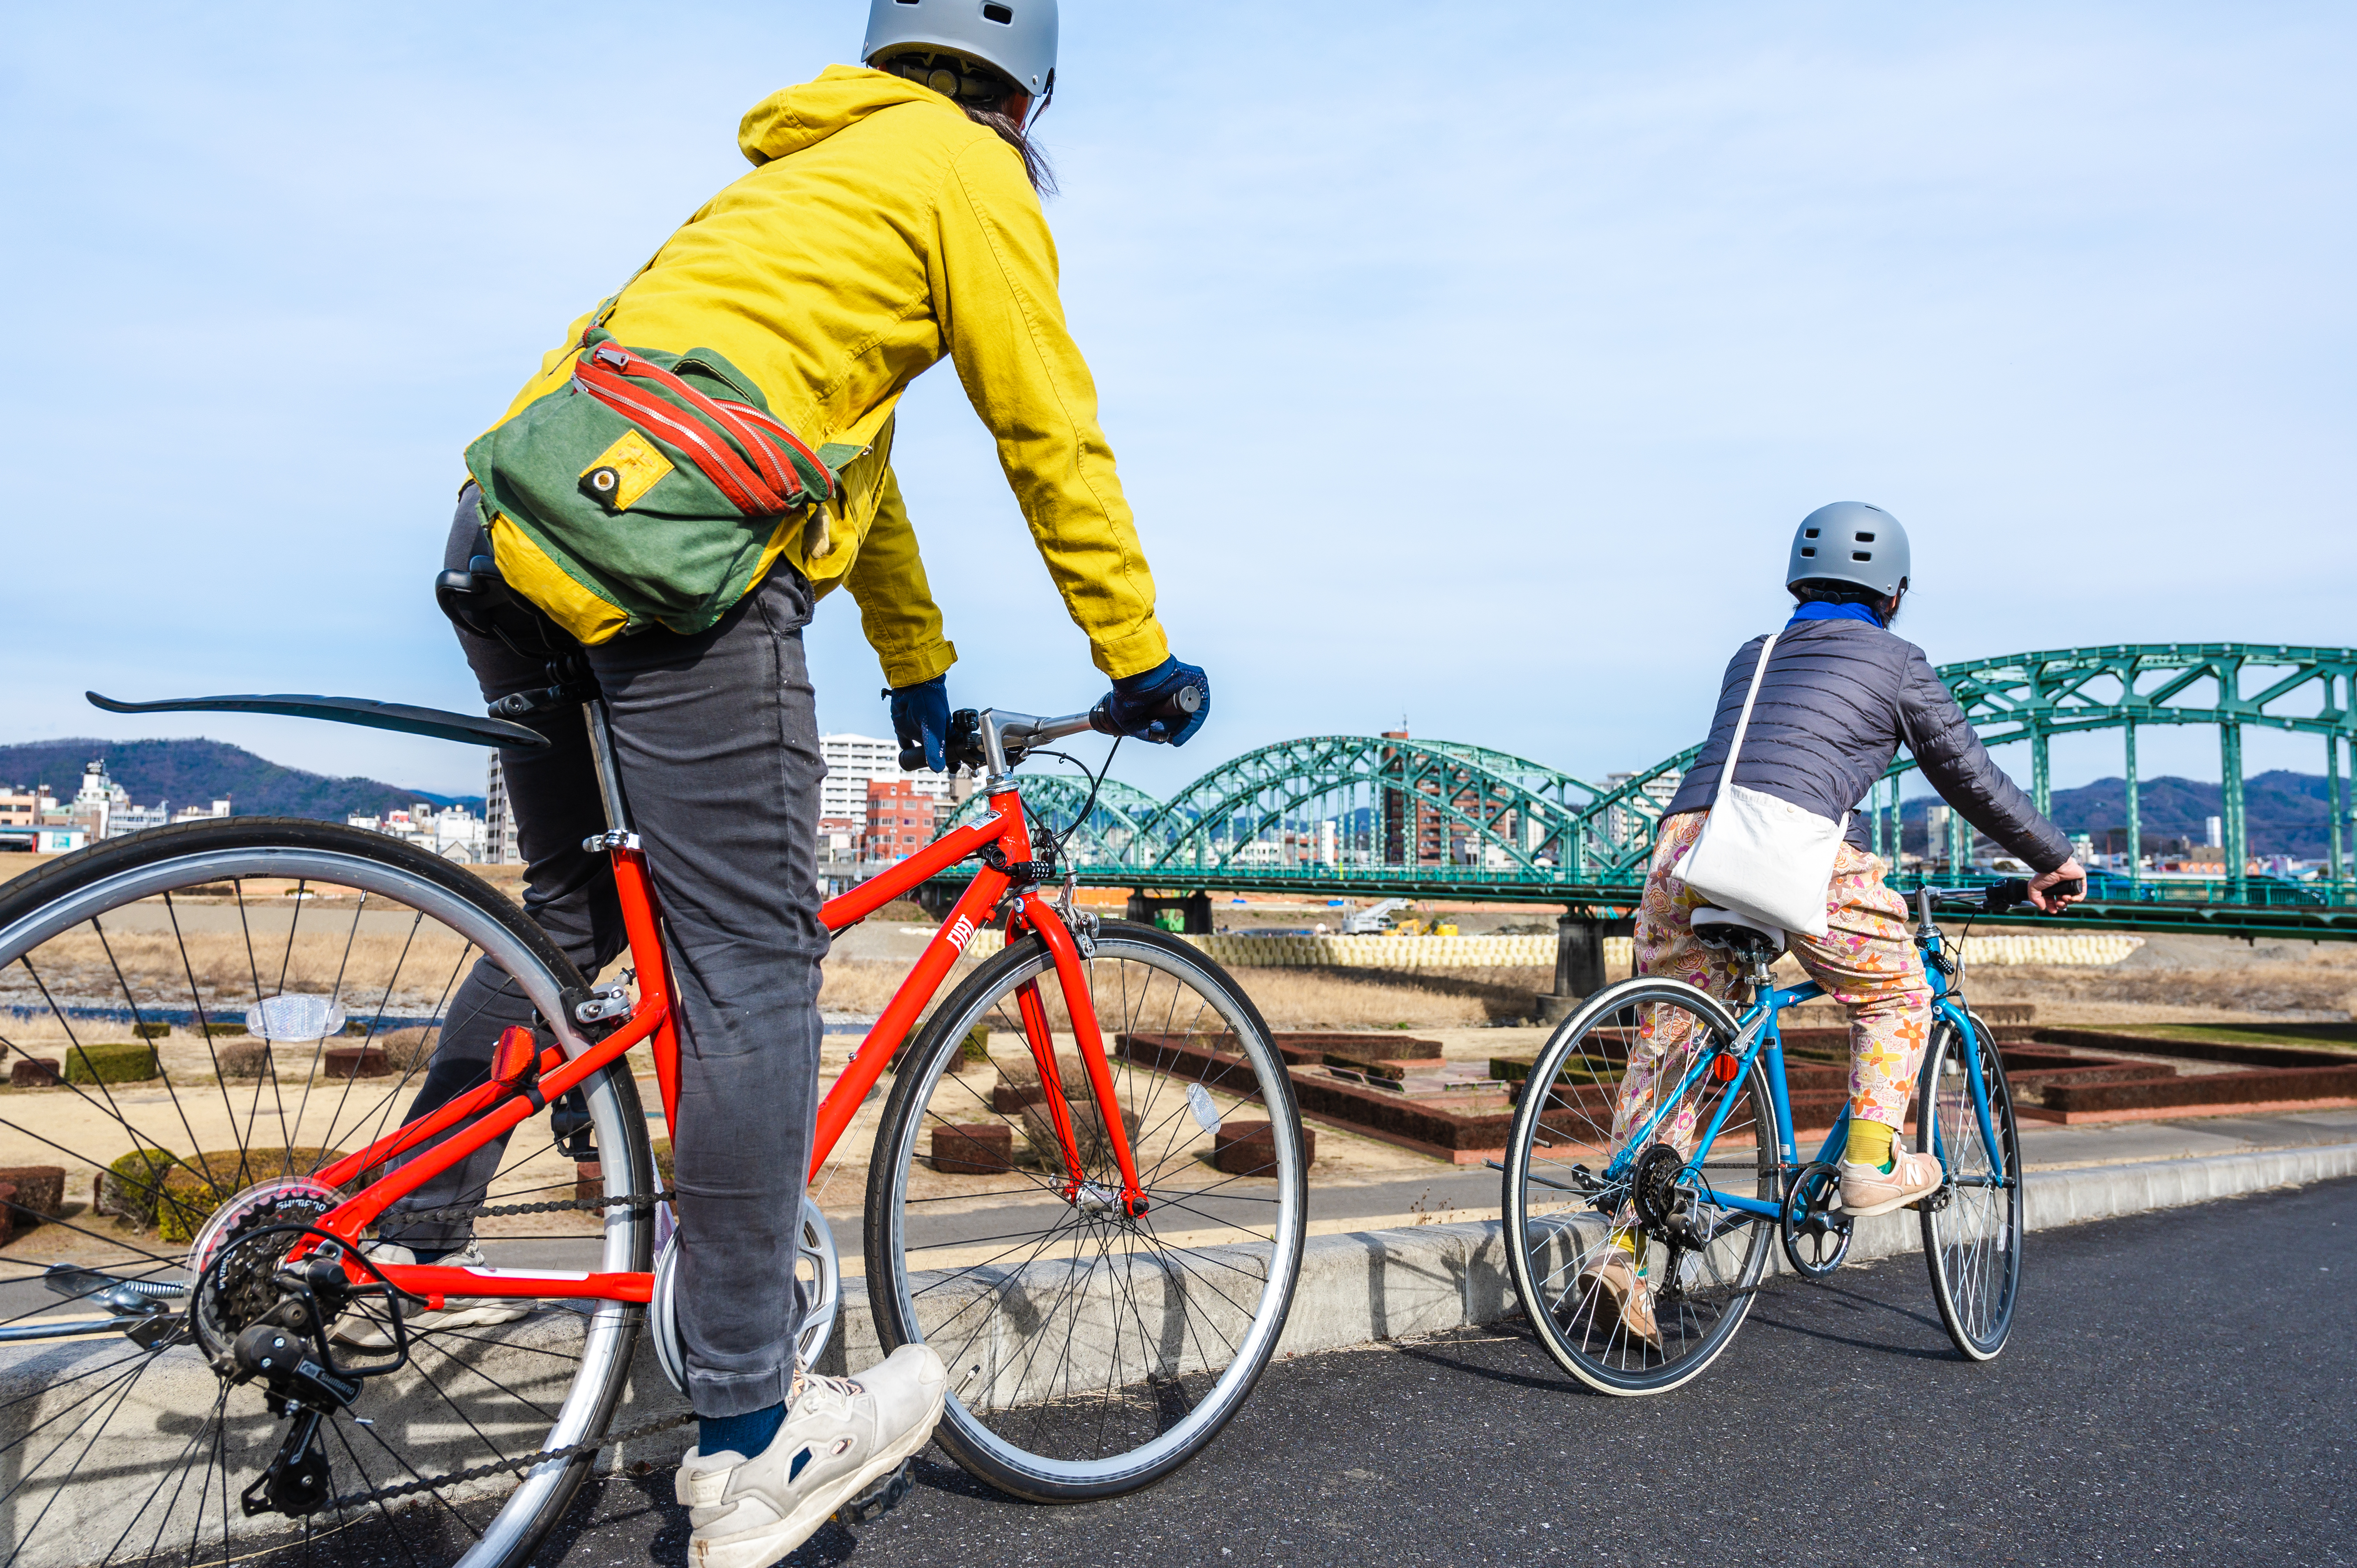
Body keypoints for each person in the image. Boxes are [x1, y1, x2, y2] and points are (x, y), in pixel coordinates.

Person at [378, 4, 1209, 1562]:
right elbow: (1045, 424)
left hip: (512, 527)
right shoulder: (966, 170)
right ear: (1023, 88)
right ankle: (752, 1439)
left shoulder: (799, 185)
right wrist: (1139, 647)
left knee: (565, 924)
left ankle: (380, 1250)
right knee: (755, 968)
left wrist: (917, 667)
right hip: (671, 551)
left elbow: (853, 472)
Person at [1582, 501, 2083, 1345]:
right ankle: (1872, 1163)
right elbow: (1965, 771)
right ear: (1893, 592)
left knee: (1675, 1047)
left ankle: (1621, 1256)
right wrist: (2050, 856)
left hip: (1684, 847)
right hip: (1790, 851)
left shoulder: (1756, 653)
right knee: (1898, 993)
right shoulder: (1896, 661)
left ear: (1799, 581)